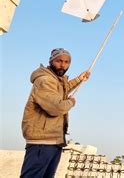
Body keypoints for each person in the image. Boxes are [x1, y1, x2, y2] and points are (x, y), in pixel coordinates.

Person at [20, 48, 90, 178]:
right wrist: (71, 102)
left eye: (66, 62)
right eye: (59, 61)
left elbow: (62, 89)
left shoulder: (56, 80)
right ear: (51, 61)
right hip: (42, 142)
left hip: (53, 141)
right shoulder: (45, 80)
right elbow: (56, 107)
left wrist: (79, 79)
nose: (63, 65)